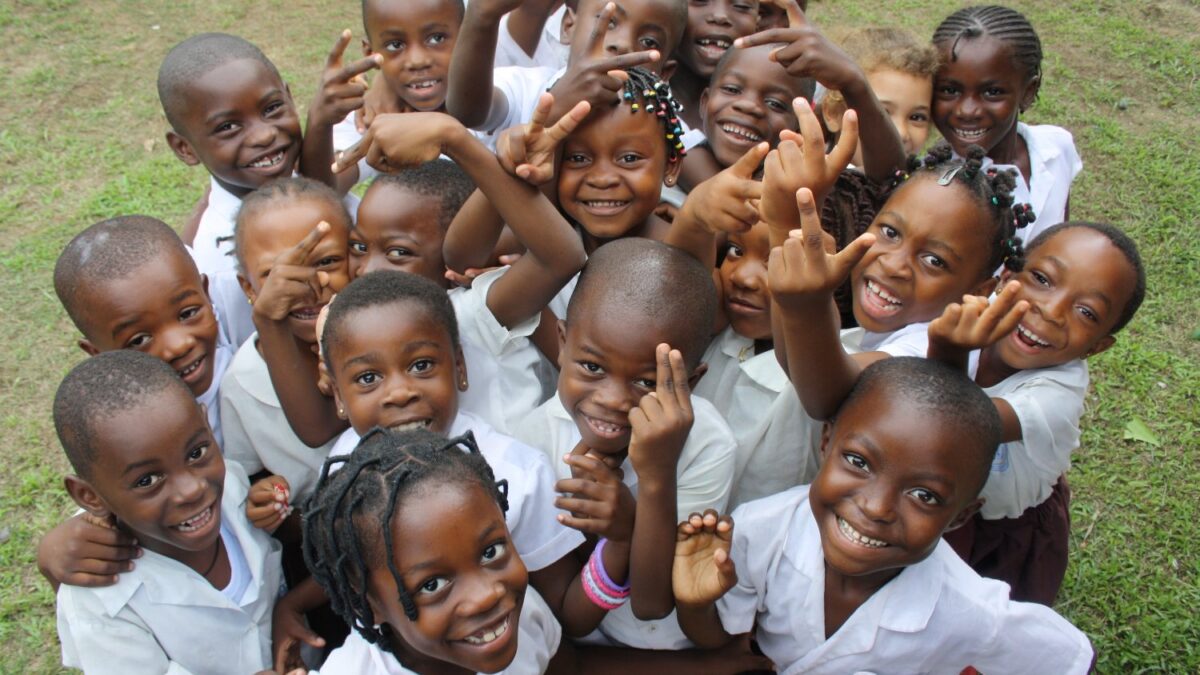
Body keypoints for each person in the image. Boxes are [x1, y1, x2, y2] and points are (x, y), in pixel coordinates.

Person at [672, 357, 1094, 673]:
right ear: (826, 443)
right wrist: (695, 605)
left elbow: (1069, 658)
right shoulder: (762, 530)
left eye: (924, 495)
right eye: (858, 461)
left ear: (960, 517)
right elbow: (719, 638)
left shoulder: (969, 610)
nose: (875, 507)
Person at [516, 238, 737, 649]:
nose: (613, 400)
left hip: (670, 640)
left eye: (647, 383)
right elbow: (570, 614)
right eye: (592, 366)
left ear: (691, 383)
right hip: (581, 638)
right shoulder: (533, 443)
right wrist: (617, 536)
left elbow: (652, 604)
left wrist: (656, 474)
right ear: (562, 343)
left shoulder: (708, 443)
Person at [928, 221, 1145, 605]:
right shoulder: (963, 314)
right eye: (1042, 279)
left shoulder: (1058, 395)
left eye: (1086, 312)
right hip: (932, 503)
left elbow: (958, 423)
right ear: (1006, 276)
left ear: (1097, 347)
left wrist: (947, 349)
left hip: (1003, 530)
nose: (1051, 310)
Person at [36, 216, 237, 593]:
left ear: (208, 296)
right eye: (139, 338)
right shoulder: (112, 424)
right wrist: (53, 554)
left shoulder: (250, 368)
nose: (178, 344)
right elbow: (111, 499)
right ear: (96, 354)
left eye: (188, 313)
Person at [52, 351, 285, 675]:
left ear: (205, 423)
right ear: (89, 495)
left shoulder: (232, 488)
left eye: (196, 452)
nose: (191, 489)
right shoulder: (102, 603)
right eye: (147, 480)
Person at [303, 428, 564, 674]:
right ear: (368, 605)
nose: (486, 596)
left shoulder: (523, 614)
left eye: (491, 552)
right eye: (432, 584)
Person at [156, 33, 354, 343]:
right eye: (227, 127)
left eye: (272, 108)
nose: (263, 136)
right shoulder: (217, 264)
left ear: (289, 96)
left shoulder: (309, 171)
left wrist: (320, 123)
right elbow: (255, 348)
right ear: (185, 148)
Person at [220, 177, 352, 509]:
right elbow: (252, 477)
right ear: (248, 289)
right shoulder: (242, 382)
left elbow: (320, 426)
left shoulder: (383, 329)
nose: (304, 285)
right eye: (277, 272)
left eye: (325, 262)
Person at [931, 4, 1081, 243]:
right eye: (949, 90)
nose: (967, 111)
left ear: (1028, 92)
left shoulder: (1056, 147)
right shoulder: (931, 187)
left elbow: (1060, 227)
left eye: (992, 92)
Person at [446, 0, 682, 142]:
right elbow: (470, 113)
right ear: (569, 26)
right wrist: (481, 17)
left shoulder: (663, 126)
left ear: (665, 73)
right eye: (608, 22)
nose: (622, 44)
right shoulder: (525, 88)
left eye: (649, 41)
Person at [819, 26, 941, 163]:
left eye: (917, 117)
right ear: (833, 113)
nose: (901, 133)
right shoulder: (807, 180)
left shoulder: (928, 182)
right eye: (881, 112)